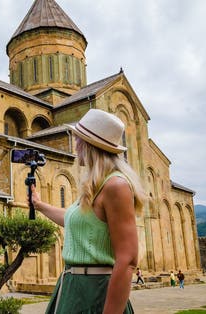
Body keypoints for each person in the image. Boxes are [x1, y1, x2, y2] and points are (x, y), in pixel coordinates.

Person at [29, 109, 146, 314]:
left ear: (90, 145)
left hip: (95, 290)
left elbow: (128, 260)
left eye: (78, 140)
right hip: (72, 287)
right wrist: (39, 205)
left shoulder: (115, 186)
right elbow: (75, 220)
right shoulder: (95, 185)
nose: (75, 146)